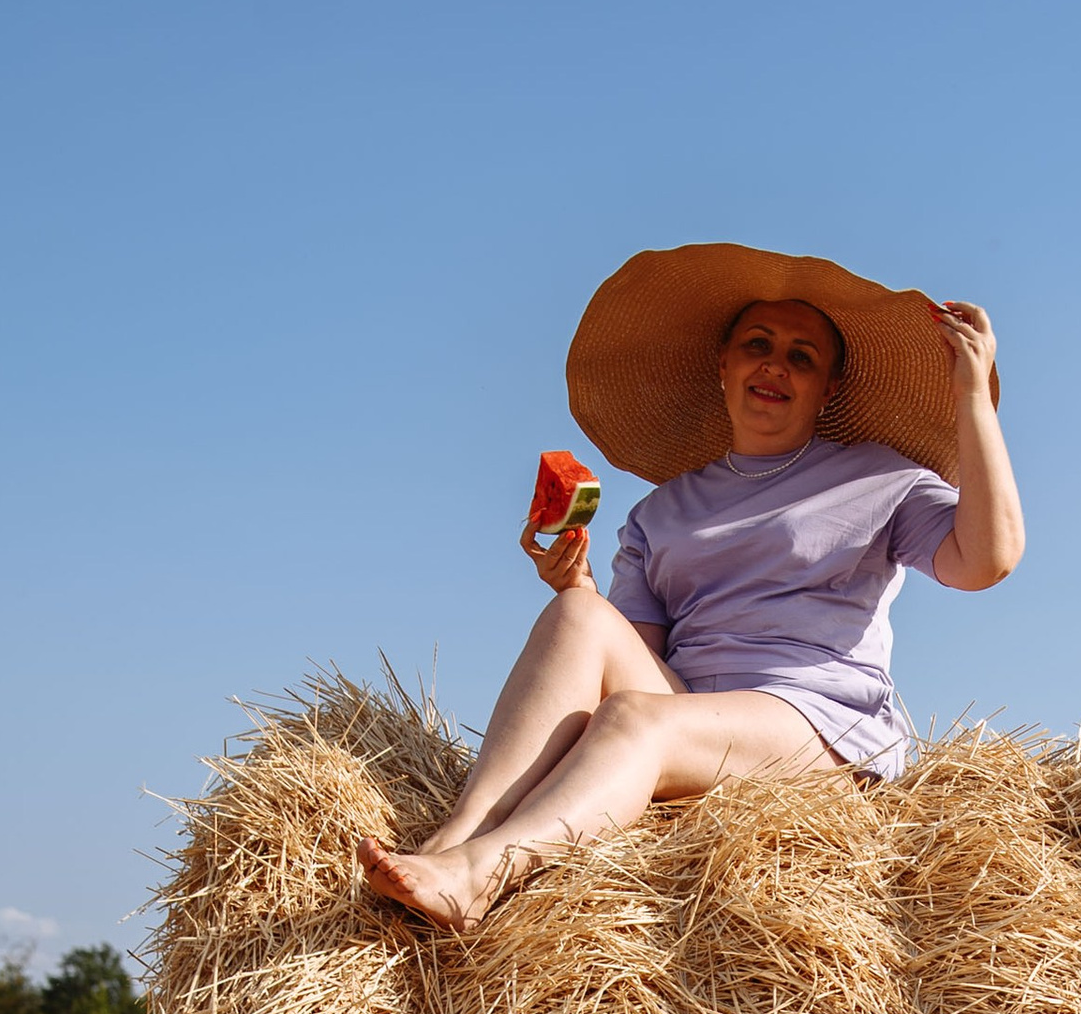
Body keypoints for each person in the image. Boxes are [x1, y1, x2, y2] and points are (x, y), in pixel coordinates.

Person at [361, 243, 1024, 932]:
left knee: (635, 721)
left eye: (802, 357)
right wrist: (576, 583)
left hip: (817, 723)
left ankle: (487, 873)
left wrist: (972, 397)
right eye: (757, 344)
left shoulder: (880, 477)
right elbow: (629, 660)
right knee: (578, 616)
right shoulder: (662, 511)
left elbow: (988, 560)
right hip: (691, 714)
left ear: (829, 390)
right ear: (724, 365)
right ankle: (455, 839)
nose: (775, 364)